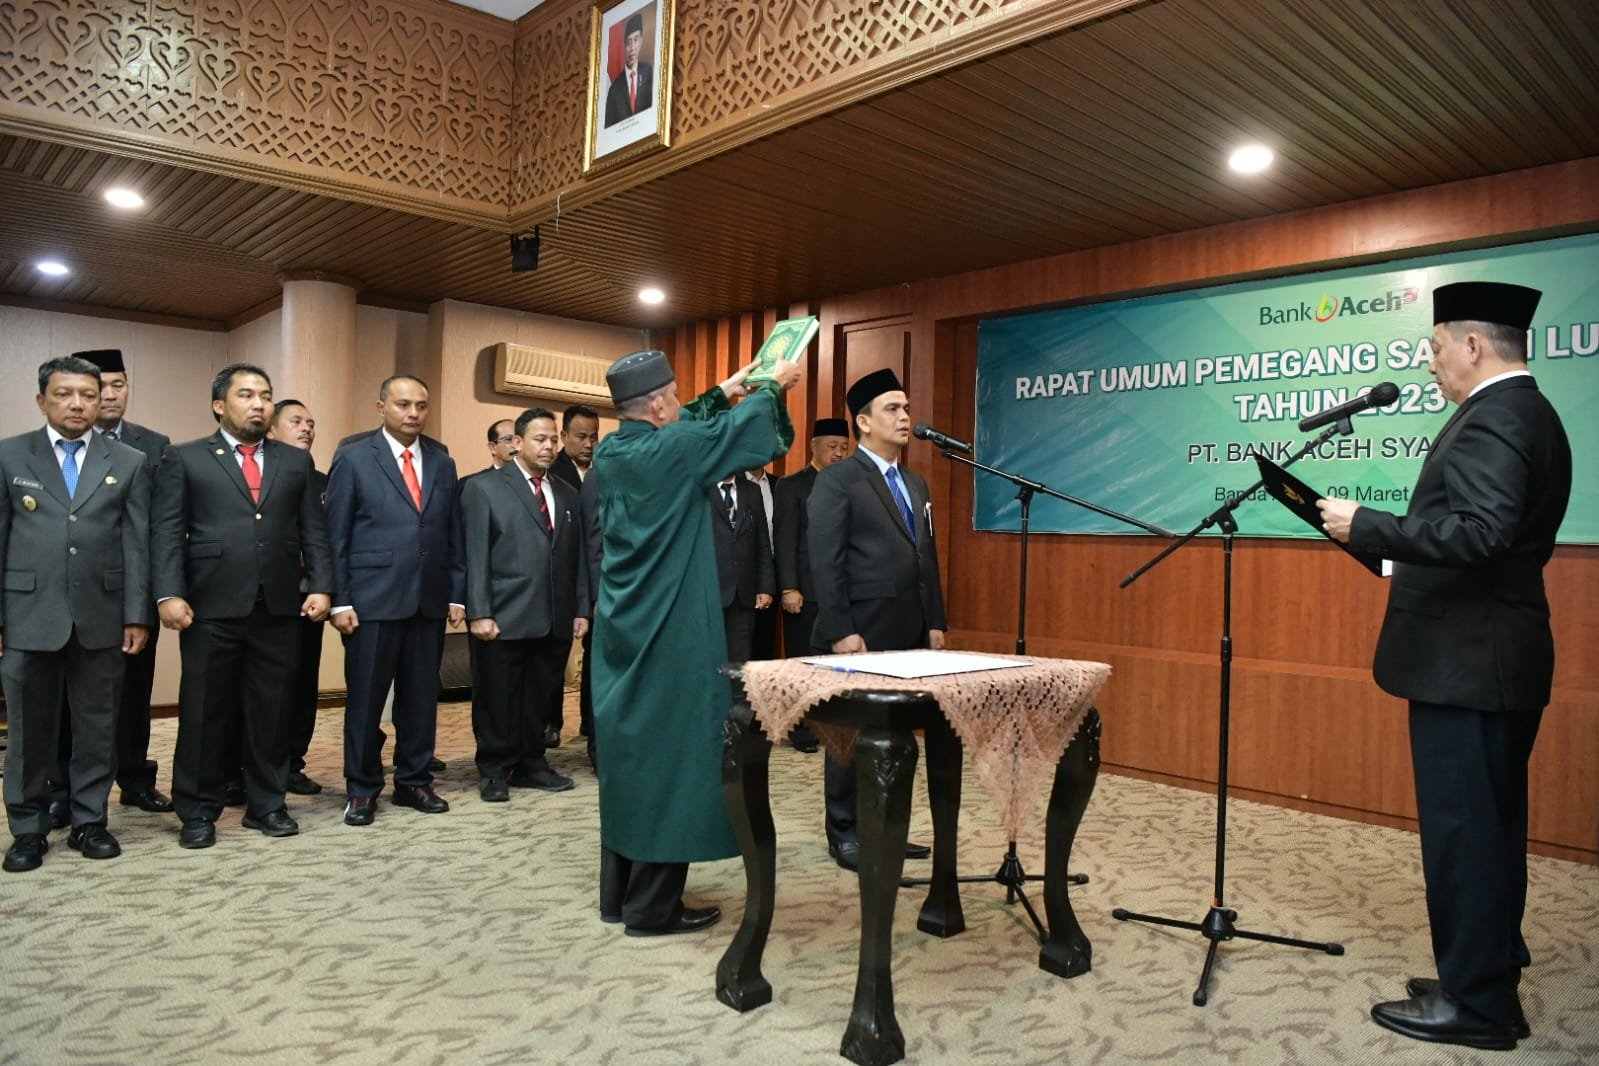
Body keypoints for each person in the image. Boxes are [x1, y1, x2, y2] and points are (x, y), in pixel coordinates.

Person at [1318, 282, 1570, 1051]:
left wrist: (1368, 525)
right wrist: (1390, 552)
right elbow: (1486, 539)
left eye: (1432, 349)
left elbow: (1481, 534)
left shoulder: (1498, 416)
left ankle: (1478, 1005)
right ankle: (1480, 974)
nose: (1428, 364)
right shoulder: (1524, 411)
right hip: (1487, 657)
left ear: (1471, 345)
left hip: (1469, 664)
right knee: (1487, 829)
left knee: (1464, 834)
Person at [591, 348, 801, 936]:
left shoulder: (611, 452)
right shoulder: (675, 449)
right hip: (672, 632)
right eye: (676, 396)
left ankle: (620, 896)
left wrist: (724, 389)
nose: (681, 404)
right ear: (660, 405)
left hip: (624, 629)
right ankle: (652, 908)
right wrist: (772, 385)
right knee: (674, 760)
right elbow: (744, 435)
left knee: (633, 761)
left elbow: (687, 427)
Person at [152, 365, 331, 849]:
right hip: (209, 605)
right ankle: (197, 810)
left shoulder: (294, 462)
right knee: (204, 713)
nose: (258, 404)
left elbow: (313, 530)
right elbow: (166, 531)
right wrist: (168, 593)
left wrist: (321, 585)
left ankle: (267, 805)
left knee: (272, 712)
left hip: (279, 606)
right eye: (246, 395)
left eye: (265, 396)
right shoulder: (185, 457)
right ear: (219, 405)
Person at [1, 356, 152, 871]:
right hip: (27, 615)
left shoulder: (128, 460)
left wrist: (136, 614)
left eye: (88, 394)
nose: (78, 404)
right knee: (28, 731)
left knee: (97, 726)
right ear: (42, 399)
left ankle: (90, 821)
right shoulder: (9, 455)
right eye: (64, 394)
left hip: (102, 616)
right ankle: (28, 828)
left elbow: (137, 544)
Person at [808, 369, 943, 872]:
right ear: (863, 422)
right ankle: (845, 832)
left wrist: (935, 620)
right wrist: (841, 629)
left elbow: (927, 557)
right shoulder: (838, 479)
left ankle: (887, 827)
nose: (905, 417)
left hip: (910, 631)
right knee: (849, 737)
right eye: (893, 409)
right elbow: (825, 560)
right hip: (860, 632)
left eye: (906, 408)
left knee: (898, 738)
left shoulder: (915, 482)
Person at [326, 374, 465, 826]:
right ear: (381, 406)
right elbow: (336, 536)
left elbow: (452, 533)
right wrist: (340, 600)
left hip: (428, 599)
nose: (413, 413)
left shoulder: (442, 462)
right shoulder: (354, 459)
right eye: (403, 404)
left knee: (421, 699)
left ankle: (414, 781)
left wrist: (457, 592)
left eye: (421, 405)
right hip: (371, 601)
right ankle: (362, 788)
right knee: (366, 702)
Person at [47, 349, 174, 817]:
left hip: (133, 590)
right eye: (100, 386)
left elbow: (163, 524)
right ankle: (63, 788)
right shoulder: (55, 445)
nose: (110, 394)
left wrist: (157, 594)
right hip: (72, 591)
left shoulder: (153, 445)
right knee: (69, 697)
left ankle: (135, 779)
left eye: (118, 384)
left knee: (134, 693)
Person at [461, 408, 588, 802]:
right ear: (517, 443)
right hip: (503, 614)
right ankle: (494, 769)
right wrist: (479, 611)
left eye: (553, 439)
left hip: (554, 615)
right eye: (539, 439)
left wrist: (581, 609)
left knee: (539, 696)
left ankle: (532, 763)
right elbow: (475, 554)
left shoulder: (568, 493)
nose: (549, 446)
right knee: (497, 697)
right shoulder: (484, 488)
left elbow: (578, 557)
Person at [772, 417, 850, 753]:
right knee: (803, 664)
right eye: (832, 446)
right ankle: (801, 730)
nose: (839, 453)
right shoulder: (792, 486)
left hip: (842, 593)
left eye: (844, 447)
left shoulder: (852, 485)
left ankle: (832, 726)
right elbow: (785, 540)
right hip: (805, 593)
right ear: (813, 446)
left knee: (838, 667)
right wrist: (789, 587)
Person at [266, 399, 330, 796]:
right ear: (271, 430)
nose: (306, 428)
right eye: (295, 422)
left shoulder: (322, 482)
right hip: (264, 596)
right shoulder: (256, 476)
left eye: (311, 422)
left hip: (308, 598)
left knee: (302, 684)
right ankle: (239, 768)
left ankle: (292, 763)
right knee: (262, 688)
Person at [548, 404, 600, 748]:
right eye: (581, 436)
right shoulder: (551, 473)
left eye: (594, 436)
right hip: (562, 578)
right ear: (564, 435)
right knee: (554, 655)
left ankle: (590, 722)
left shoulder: (605, 470)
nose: (589, 444)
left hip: (596, 576)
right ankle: (550, 722)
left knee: (595, 657)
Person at [709, 473, 774, 663]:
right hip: (709, 588)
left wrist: (765, 587)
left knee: (740, 658)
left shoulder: (752, 490)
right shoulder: (702, 488)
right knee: (708, 656)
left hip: (744, 591)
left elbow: (762, 541)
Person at [742, 465, 779, 661]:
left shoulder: (778, 484)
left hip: (771, 572)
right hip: (740, 575)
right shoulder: (733, 483)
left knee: (764, 642)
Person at [603, 12, 653, 128]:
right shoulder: (614, 89)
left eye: (636, 40)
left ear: (641, 41)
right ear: (624, 45)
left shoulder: (648, 72)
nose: (632, 48)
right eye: (629, 42)